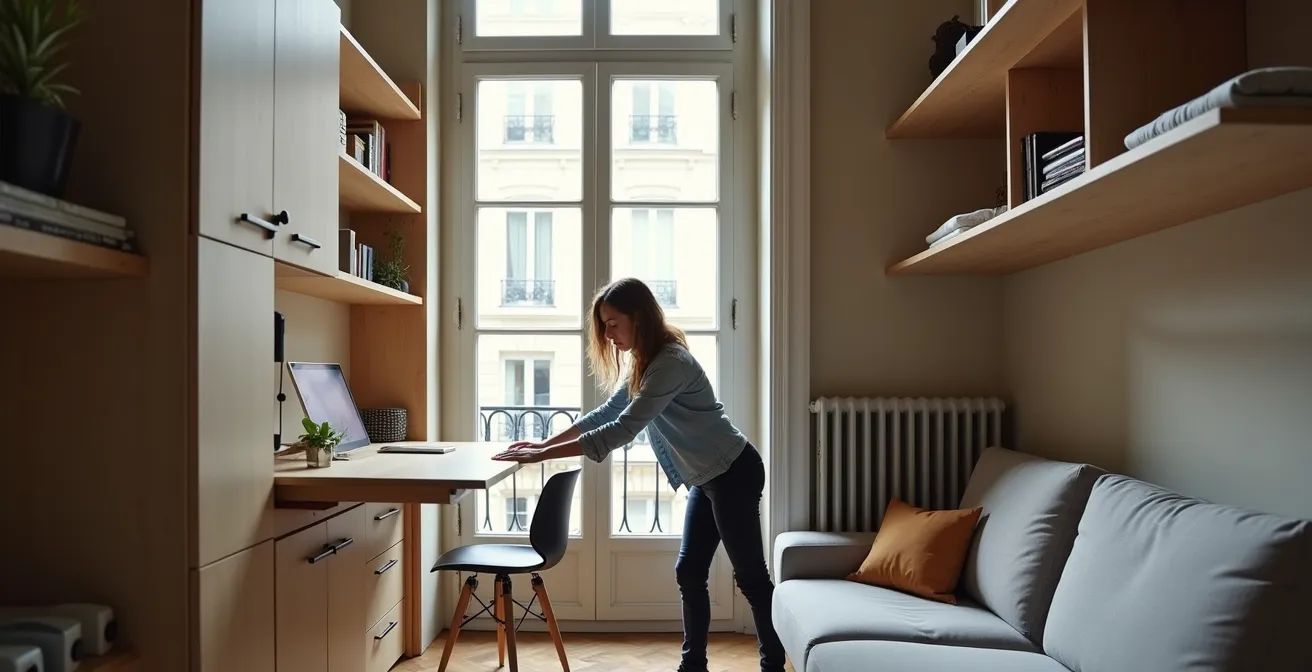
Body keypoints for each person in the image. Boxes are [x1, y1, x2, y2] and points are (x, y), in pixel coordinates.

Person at [492, 277, 787, 672]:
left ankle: (773, 665)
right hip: (709, 477)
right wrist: (543, 444)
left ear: (639, 317)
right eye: (604, 325)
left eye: (613, 323)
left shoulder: (670, 364)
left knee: (750, 577)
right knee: (689, 571)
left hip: (734, 472)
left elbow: (621, 430)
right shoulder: (644, 361)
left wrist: (543, 456)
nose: (608, 334)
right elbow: (605, 414)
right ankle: (692, 666)